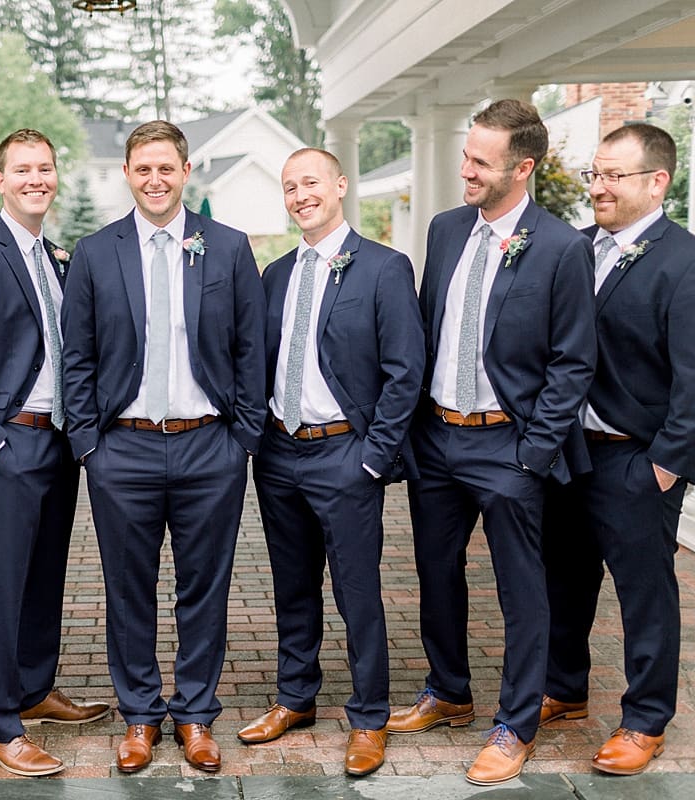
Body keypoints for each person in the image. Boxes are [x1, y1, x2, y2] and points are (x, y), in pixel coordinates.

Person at [389, 99, 597, 786]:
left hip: (510, 446)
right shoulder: (446, 230)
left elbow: (573, 363)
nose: (465, 170)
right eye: (467, 156)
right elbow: (426, 327)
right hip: (437, 441)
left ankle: (515, 725)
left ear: (523, 167)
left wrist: (533, 453)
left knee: (520, 590)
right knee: (435, 573)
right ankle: (448, 689)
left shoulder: (563, 247)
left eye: (481, 161)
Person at [61, 120, 266, 774]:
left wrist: (243, 439)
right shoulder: (95, 252)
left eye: (166, 168)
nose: (155, 179)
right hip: (123, 450)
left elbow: (249, 349)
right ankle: (141, 716)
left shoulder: (228, 248)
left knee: (205, 587)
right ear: (128, 173)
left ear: (185, 172)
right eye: (143, 168)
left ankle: (198, 714)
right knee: (128, 588)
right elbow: (78, 357)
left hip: (211, 447)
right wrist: (90, 443)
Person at [236, 148, 423, 777]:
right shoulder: (276, 274)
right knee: (292, 587)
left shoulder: (384, 268)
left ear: (341, 185)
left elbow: (404, 373)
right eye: (289, 187)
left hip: (346, 453)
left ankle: (369, 715)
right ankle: (296, 697)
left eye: (309, 183)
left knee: (357, 591)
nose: (299, 195)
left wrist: (373, 459)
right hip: (280, 451)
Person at [0, 129, 109, 778]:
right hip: (9, 443)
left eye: (45, 168)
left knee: (44, 579)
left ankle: (35, 689)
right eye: (23, 170)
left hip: (58, 443)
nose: (36, 178)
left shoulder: (56, 256)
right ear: (1, 180)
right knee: (2, 591)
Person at [541, 123, 695, 775]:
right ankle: (564, 687)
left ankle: (645, 719)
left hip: (638, 459)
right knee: (564, 579)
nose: (597, 187)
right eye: (593, 175)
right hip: (571, 453)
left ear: (657, 181)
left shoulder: (683, 261)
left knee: (644, 594)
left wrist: (664, 466)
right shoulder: (575, 248)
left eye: (613, 176)